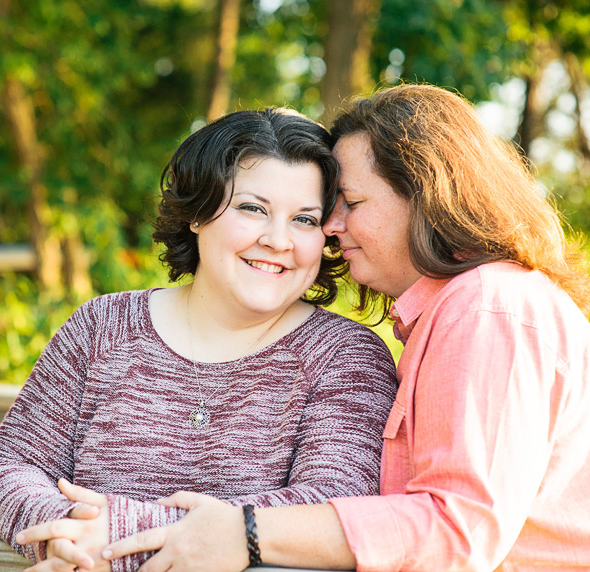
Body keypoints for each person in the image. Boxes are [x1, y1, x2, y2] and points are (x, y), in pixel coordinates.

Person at [70, 84, 590, 571]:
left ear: (427, 196)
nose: (332, 226)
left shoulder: (487, 309)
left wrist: (245, 532)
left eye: (352, 203)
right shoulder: (460, 310)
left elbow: (459, 529)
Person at [0, 108, 398, 572]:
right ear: (198, 214)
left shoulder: (346, 358)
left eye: (305, 220)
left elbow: (330, 508)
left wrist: (113, 536)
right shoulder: (102, 326)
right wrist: (66, 531)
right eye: (253, 208)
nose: (278, 240)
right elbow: (4, 468)